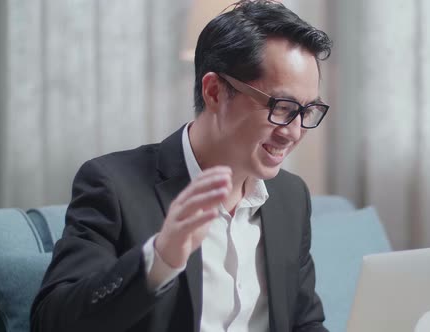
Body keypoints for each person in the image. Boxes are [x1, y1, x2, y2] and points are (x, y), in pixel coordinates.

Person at [30, 1, 332, 331]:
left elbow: (305, 322)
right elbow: (52, 321)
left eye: (308, 111)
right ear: (215, 92)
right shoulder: (112, 185)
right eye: (283, 106)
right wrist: (159, 259)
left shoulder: (290, 197)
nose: (294, 131)